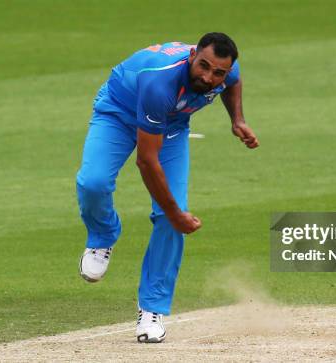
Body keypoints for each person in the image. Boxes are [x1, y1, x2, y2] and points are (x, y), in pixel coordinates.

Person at [75, 32, 259, 343]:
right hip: (119, 112)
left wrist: (237, 119)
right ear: (192, 57)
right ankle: (103, 235)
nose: (209, 76)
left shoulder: (227, 71)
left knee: (170, 218)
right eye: (203, 66)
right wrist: (175, 213)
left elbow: (233, 82)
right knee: (93, 183)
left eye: (218, 73)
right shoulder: (160, 82)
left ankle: (151, 309)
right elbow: (146, 162)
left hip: (172, 125)